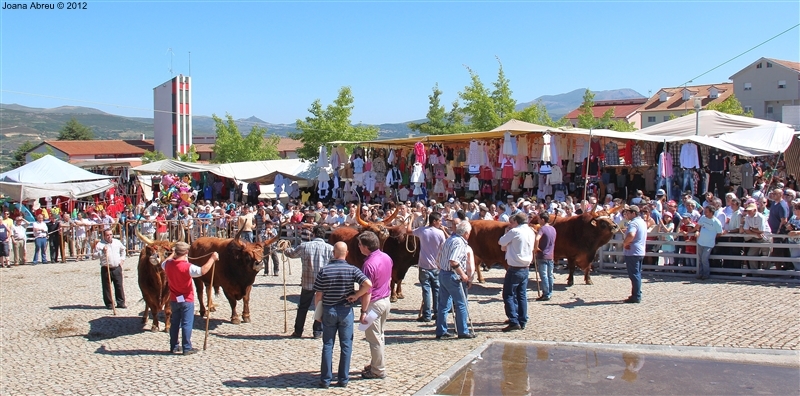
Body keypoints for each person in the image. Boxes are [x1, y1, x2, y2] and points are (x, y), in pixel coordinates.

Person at [313, 242, 372, 388]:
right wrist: (357, 295)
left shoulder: (324, 270)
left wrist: (317, 312)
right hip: (346, 311)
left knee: (328, 344)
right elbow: (368, 284)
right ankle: (343, 379)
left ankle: (325, 379)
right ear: (346, 253)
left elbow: (318, 295)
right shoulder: (352, 269)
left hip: (329, 309)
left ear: (333, 253)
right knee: (346, 345)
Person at [162, 242, 218, 355]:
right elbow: (202, 270)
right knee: (187, 323)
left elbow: (163, 262)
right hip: (187, 299)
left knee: (175, 323)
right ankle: (187, 347)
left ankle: (174, 346)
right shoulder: (187, 267)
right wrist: (212, 259)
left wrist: (173, 255)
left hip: (174, 298)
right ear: (186, 253)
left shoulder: (168, 265)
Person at [355, 231, 393, 380]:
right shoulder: (386, 257)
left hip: (374, 304)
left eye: (359, 244)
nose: (358, 247)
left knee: (374, 338)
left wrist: (363, 311)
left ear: (365, 247)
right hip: (385, 300)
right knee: (379, 335)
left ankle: (378, 370)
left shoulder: (368, 264)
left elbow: (367, 291)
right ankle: (377, 363)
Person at [283, 226, 332, 338]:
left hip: (307, 281)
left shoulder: (305, 246)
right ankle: (317, 331)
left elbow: (292, 254)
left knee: (303, 307)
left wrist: (285, 249)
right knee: (320, 306)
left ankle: (298, 331)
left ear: (313, 234)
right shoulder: (330, 248)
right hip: (323, 283)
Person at [435, 221, 476, 340]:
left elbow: (439, 258)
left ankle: (441, 331)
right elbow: (453, 261)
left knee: (443, 304)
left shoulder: (449, 240)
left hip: (443, 273)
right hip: (453, 276)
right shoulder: (460, 243)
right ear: (466, 233)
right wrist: (463, 274)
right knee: (461, 304)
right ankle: (463, 331)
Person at [497, 212, 535, 332]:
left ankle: (514, 320)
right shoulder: (530, 231)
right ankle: (522, 319)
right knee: (521, 295)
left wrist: (507, 233)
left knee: (508, 294)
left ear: (516, 222)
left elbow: (501, 242)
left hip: (515, 267)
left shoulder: (515, 232)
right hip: (526, 266)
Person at [408, 211, 446, 323]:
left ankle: (427, 315)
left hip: (424, 265)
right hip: (436, 266)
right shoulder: (440, 233)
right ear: (434, 221)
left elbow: (408, 231)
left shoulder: (422, 231)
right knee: (436, 290)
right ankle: (437, 313)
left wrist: (411, 219)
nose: (441, 223)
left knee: (426, 291)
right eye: (439, 221)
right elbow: (443, 248)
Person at [94, 228, 127, 309]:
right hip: (106, 268)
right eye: (107, 235)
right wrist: (102, 252)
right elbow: (94, 255)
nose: (109, 236)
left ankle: (121, 303)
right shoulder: (100, 244)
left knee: (119, 285)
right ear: (104, 236)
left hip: (116, 267)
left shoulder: (117, 242)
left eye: (110, 234)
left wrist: (122, 259)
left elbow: (123, 250)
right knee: (107, 287)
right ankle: (109, 304)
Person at [621, 206, 647, 303]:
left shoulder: (633, 223)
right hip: (640, 251)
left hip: (632, 251)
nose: (626, 214)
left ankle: (636, 296)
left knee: (634, 274)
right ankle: (636, 293)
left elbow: (632, 235)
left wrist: (625, 243)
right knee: (637, 273)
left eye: (628, 213)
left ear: (634, 213)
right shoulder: (642, 222)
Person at [695, 206, 724, 280]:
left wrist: (712, 236)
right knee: (700, 259)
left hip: (709, 244)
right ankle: (700, 273)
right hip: (700, 242)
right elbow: (698, 226)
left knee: (704, 259)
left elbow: (719, 233)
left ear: (711, 212)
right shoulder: (703, 218)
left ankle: (706, 274)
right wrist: (697, 231)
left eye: (707, 211)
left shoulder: (716, 222)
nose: (705, 213)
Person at [534, 212, 556, 302]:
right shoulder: (553, 229)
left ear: (543, 219)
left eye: (539, 219)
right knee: (550, 275)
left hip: (543, 255)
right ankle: (550, 292)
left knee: (544, 276)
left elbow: (537, 238)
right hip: (551, 255)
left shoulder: (542, 229)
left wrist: (536, 248)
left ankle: (546, 294)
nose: (538, 221)